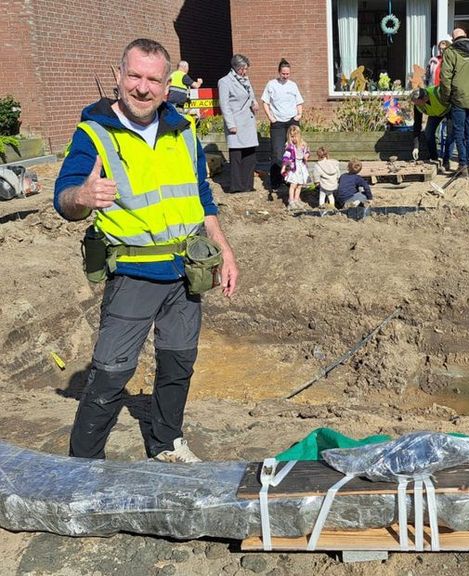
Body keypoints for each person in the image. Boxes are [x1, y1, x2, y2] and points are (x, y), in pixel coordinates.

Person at [54, 38, 238, 463]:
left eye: (153, 79)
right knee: (111, 373)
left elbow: (202, 197)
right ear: (118, 76)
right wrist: (83, 194)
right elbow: (63, 198)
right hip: (134, 274)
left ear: (166, 83)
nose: (143, 88)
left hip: (187, 271)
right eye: (134, 76)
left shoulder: (183, 131)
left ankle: (166, 442)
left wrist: (224, 251)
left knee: (178, 365)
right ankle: (82, 465)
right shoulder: (93, 133)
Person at [439, 28, 469, 177]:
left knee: (458, 132)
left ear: (454, 39)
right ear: (466, 36)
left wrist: (446, 97)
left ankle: (463, 165)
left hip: (458, 98)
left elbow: (445, 78)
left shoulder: (450, 52)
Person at [262, 59, 304, 196]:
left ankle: (292, 179)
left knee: (293, 150)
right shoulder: (271, 85)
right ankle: (276, 181)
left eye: (288, 74)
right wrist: (271, 118)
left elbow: (299, 101)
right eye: (283, 73)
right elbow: (265, 102)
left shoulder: (293, 85)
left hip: (292, 121)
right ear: (279, 72)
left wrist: (299, 115)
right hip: (278, 123)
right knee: (277, 153)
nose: (286, 76)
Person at [218, 54, 259, 193]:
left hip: (248, 120)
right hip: (236, 121)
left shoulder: (245, 80)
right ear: (237, 67)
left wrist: (254, 103)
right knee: (236, 155)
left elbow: (250, 95)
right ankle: (236, 186)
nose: (245, 72)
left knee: (249, 154)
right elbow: (224, 105)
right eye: (244, 69)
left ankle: (248, 185)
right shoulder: (224, 82)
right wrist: (231, 125)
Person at [410, 86, 449, 169]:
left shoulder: (437, 93)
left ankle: (446, 161)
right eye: (415, 103)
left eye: (418, 103)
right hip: (435, 114)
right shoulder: (417, 105)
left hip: (449, 110)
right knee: (428, 133)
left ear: (425, 98)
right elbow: (417, 124)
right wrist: (416, 147)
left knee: (451, 134)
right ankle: (434, 157)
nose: (416, 105)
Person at [281, 124, 310, 210]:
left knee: (300, 185)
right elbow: (286, 158)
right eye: (292, 137)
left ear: (299, 136)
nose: (294, 139)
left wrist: (306, 156)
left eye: (295, 136)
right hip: (294, 168)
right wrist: (284, 167)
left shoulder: (303, 144)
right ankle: (291, 201)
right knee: (293, 184)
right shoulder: (290, 147)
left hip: (301, 167)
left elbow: (307, 151)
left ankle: (297, 200)